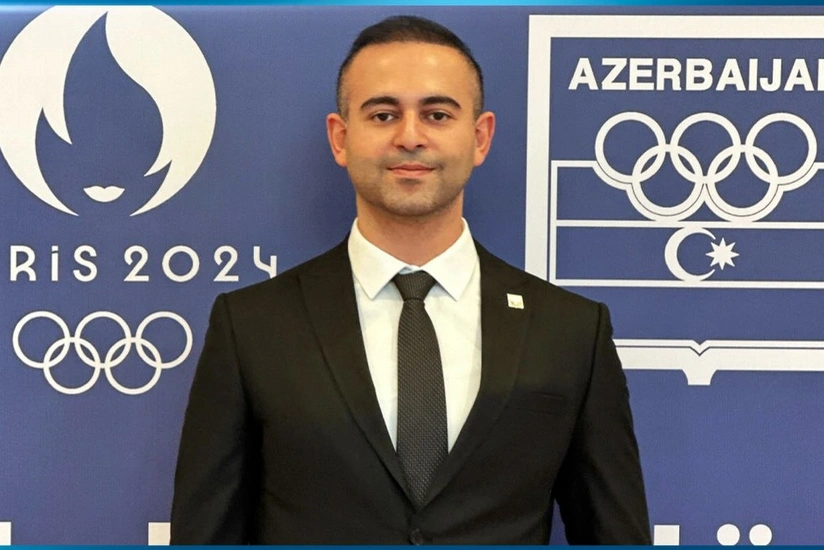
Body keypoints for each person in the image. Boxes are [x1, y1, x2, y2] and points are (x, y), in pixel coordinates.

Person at [170, 15, 650, 544]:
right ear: (341, 138)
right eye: (383, 115)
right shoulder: (252, 326)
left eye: (437, 114)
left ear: (480, 137)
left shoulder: (571, 331)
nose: (410, 137)